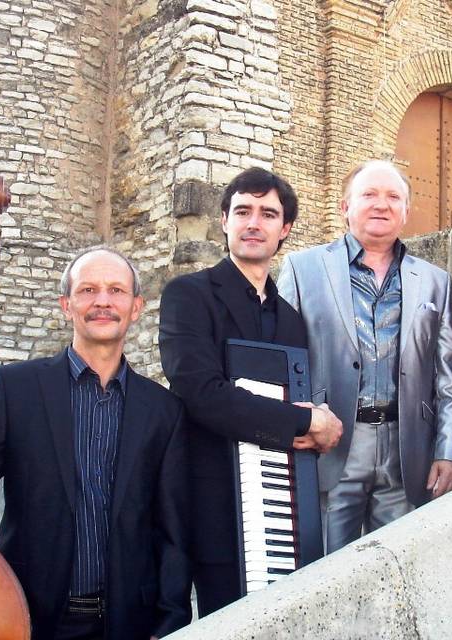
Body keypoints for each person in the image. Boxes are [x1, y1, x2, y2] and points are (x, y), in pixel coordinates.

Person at [0, 247, 190, 640]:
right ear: (66, 304)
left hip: (126, 623)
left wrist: (170, 622)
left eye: (116, 291)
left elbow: (172, 528)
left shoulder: (164, 410)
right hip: (27, 616)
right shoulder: (16, 387)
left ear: (136, 307)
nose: (103, 301)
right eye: (88, 290)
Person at [158, 167, 342, 616]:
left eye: (267, 213)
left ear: (286, 229)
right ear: (224, 221)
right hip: (214, 499)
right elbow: (201, 392)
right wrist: (303, 422)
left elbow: (293, 398)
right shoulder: (189, 295)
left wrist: (313, 427)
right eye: (242, 211)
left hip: (281, 497)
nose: (253, 222)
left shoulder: (292, 319)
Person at [277, 160, 452, 554]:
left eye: (393, 197)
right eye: (369, 195)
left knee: (401, 568)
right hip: (330, 445)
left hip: (407, 449)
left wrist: (449, 451)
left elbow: (448, 376)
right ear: (345, 207)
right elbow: (281, 361)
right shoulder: (303, 269)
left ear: (406, 211)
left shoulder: (434, 281)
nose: (381, 204)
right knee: (324, 571)